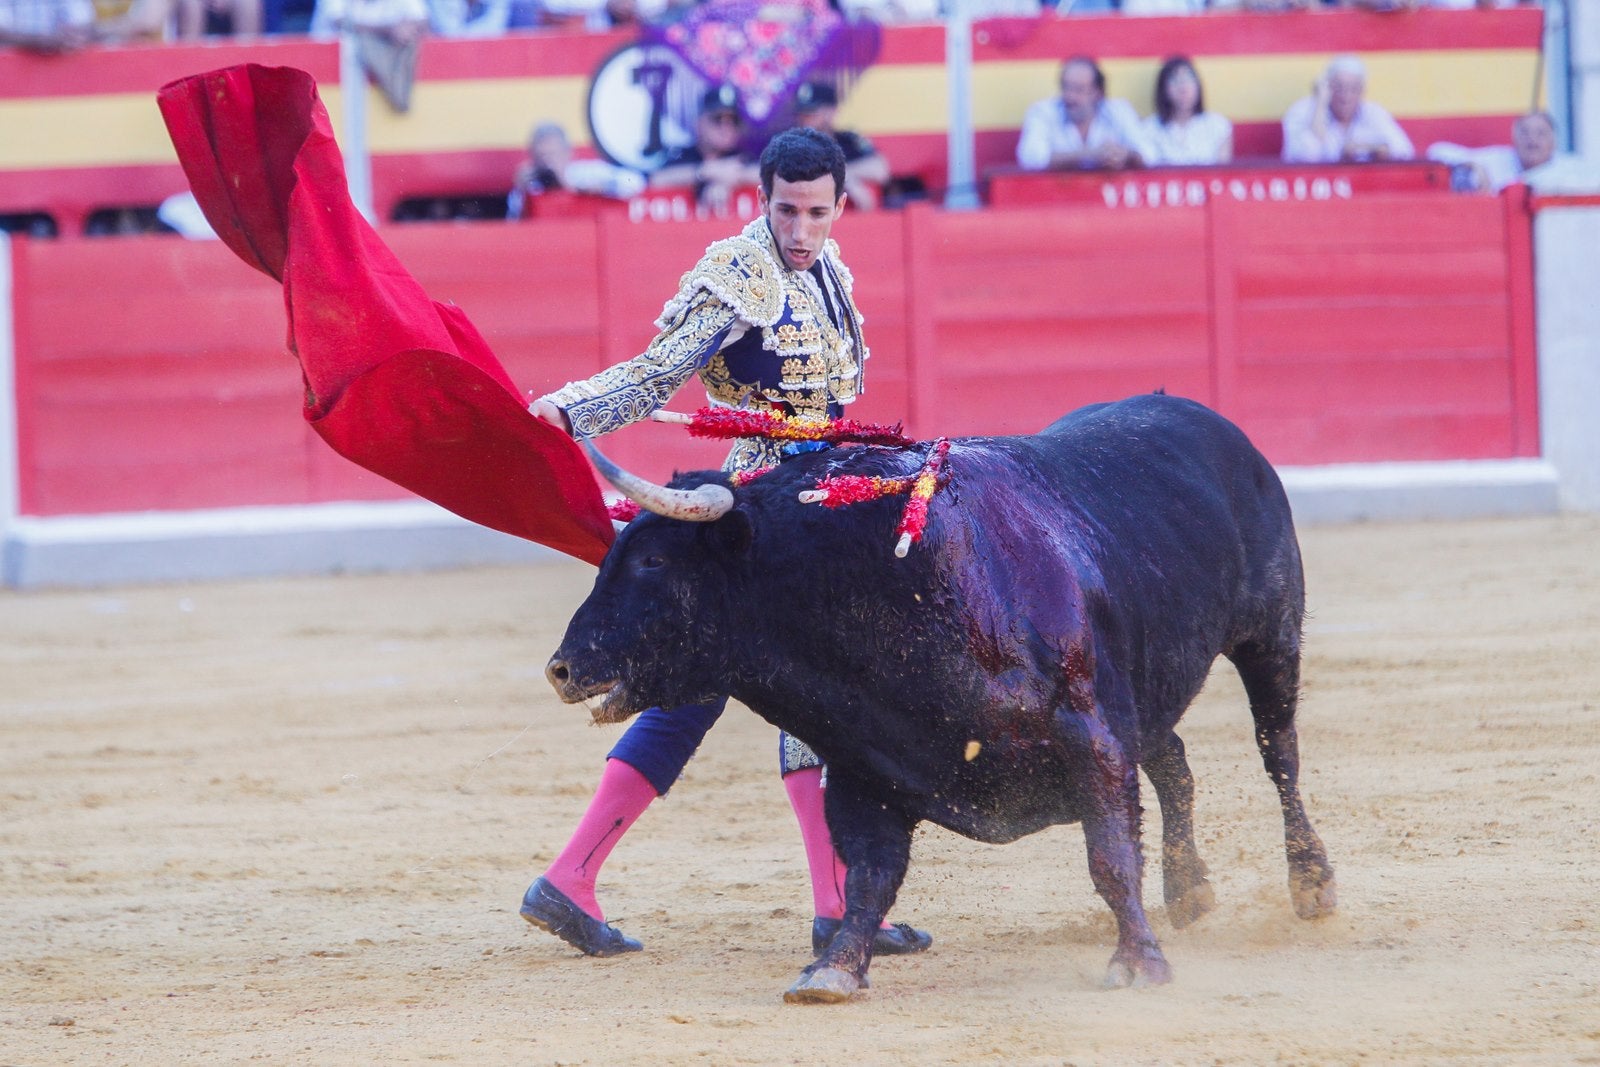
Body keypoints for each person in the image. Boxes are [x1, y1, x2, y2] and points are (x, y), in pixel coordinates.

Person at [521, 126, 932, 961]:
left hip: (817, 507)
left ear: (841, 206)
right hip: (757, 523)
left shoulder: (830, 271)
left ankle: (572, 878)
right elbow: (652, 373)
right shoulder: (736, 275)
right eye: (787, 209)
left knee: (703, 694)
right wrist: (566, 410)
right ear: (761, 199)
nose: (801, 229)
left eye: (818, 212)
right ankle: (836, 905)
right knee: (807, 692)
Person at [1016, 56, 1153, 172]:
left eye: (1078, 89)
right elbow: (1030, 158)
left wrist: (1126, 155)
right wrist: (1090, 155)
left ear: (1097, 92)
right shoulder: (1043, 112)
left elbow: (1150, 154)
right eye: (1065, 87)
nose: (1070, 96)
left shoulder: (1119, 110)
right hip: (1056, 197)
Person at [649, 84, 762, 214]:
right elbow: (656, 180)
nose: (726, 127)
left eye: (733, 120)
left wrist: (731, 178)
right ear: (699, 123)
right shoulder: (683, 155)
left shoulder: (743, 156)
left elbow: (768, 177)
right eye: (717, 119)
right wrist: (706, 171)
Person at [1281, 55, 1414, 164]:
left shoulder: (1373, 112)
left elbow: (1405, 151)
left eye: (1354, 89)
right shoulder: (1302, 110)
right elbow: (1305, 156)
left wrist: (1365, 148)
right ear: (1327, 87)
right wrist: (1320, 104)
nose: (1346, 96)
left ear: (1362, 91)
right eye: (1339, 87)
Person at [506, 122, 645, 220]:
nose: (547, 162)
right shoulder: (532, 184)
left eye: (552, 154)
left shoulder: (584, 174)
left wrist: (585, 188)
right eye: (542, 156)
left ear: (567, 153)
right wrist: (521, 192)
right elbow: (513, 225)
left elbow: (636, 183)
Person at [1427, 111, 1591, 194]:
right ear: (1514, 138)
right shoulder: (1499, 159)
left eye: (1540, 134)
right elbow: (1436, 151)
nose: (1532, 140)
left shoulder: (1571, 168)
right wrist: (1472, 165)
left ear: (1554, 142)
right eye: (1525, 133)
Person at [793, 81, 891, 211]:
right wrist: (836, 178)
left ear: (832, 111)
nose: (805, 118)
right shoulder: (789, 143)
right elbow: (760, 171)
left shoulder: (848, 140)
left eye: (812, 111)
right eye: (802, 112)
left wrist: (844, 176)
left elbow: (881, 170)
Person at [1141, 55, 1232, 166]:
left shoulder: (1217, 125)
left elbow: (1223, 174)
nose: (1183, 88)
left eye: (1188, 79)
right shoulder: (1149, 129)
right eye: (1175, 81)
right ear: (1163, 89)